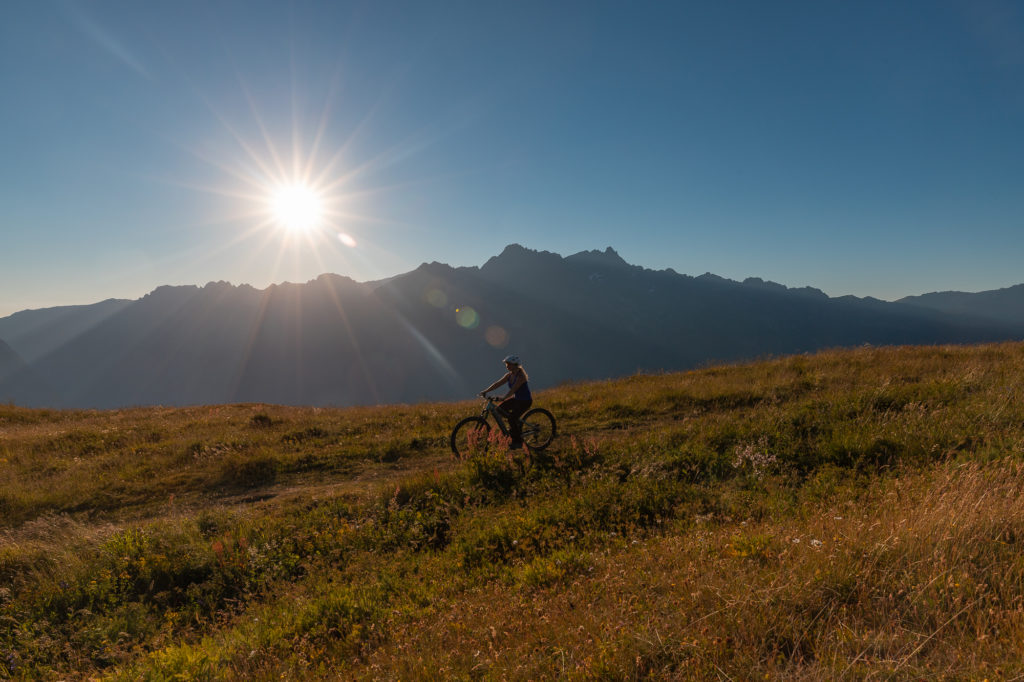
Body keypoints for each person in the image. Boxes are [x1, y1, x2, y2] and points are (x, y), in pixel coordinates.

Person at [479, 354, 533, 447]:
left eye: (509, 364)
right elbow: (497, 384)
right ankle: (514, 426)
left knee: (511, 418)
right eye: (506, 364)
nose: (507, 366)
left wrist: (504, 397)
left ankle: (518, 442)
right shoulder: (509, 375)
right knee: (498, 410)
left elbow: (513, 390)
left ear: (515, 365)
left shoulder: (521, 377)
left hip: (525, 401)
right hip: (516, 399)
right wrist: (486, 391)